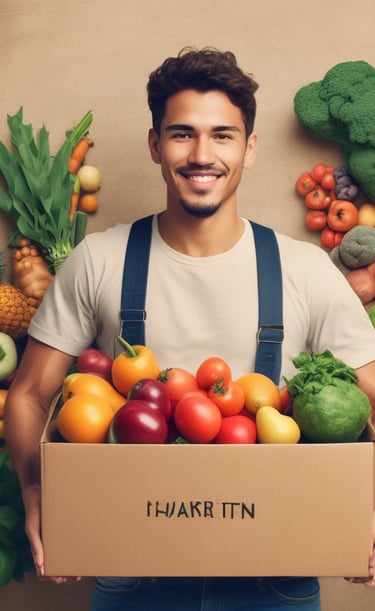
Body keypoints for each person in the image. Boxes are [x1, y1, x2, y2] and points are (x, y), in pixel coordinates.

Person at [4, 46, 375, 610]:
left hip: (275, 578)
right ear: (156, 144)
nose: (202, 154)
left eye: (223, 136)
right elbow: (30, 394)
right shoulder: (99, 261)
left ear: (249, 149)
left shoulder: (304, 271)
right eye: (182, 134)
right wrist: (36, 489)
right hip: (132, 576)